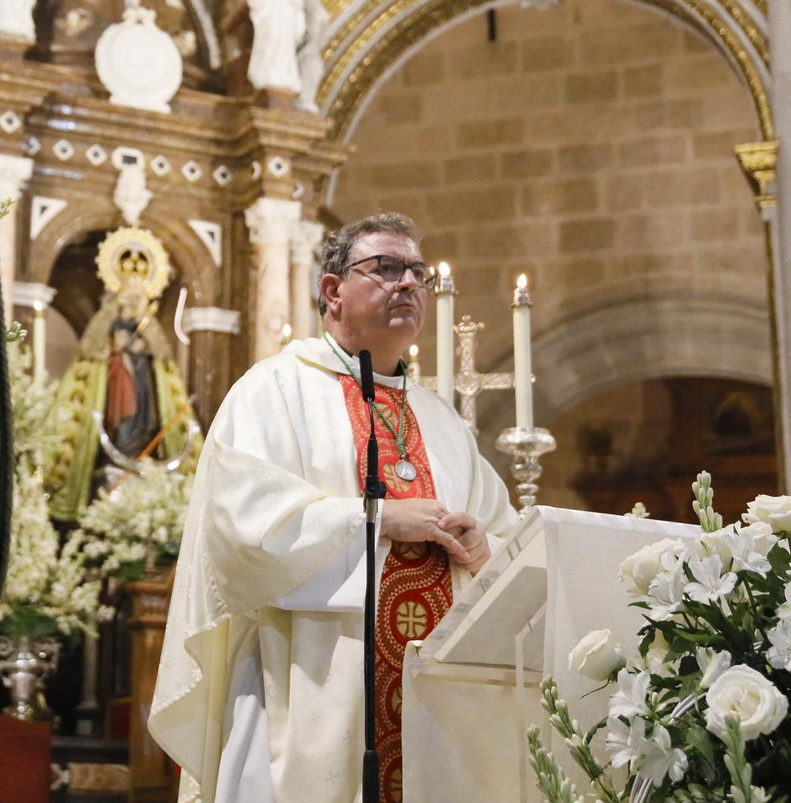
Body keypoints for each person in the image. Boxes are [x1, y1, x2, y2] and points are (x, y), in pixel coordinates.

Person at [149, 212, 517, 803]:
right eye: (386, 268)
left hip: (434, 707)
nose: (408, 283)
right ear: (332, 290)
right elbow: (241, 531)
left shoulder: (441, 419)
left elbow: (509, 540)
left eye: (417, 272)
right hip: (302, 685)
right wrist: (377, 520)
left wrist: (481, 548)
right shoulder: (272, 390)